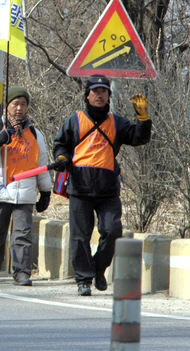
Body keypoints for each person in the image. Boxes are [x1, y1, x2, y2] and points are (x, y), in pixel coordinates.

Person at [53, 74, 152, 296]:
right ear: (87, 95)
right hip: (79, 188)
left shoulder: (117, 122)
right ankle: (83, 279)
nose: (99, 95)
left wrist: (143, 119)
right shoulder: (74, 120)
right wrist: (61, 158)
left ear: (108, 95)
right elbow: (61, 145)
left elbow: (139, 138)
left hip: (108, 190)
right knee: (80, 237)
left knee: (112, 230)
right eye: (95, 91)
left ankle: (98, 269)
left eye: (104, 91)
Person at [0, 86, 53, 286]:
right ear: (7, 106)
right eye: (15, 104)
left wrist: (45, 190)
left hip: (24, 192)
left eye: (23, 104)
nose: (19, 108)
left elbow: (41, 163)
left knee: (23, 235)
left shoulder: (35, 133)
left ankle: (22, 272)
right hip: (0, 189)